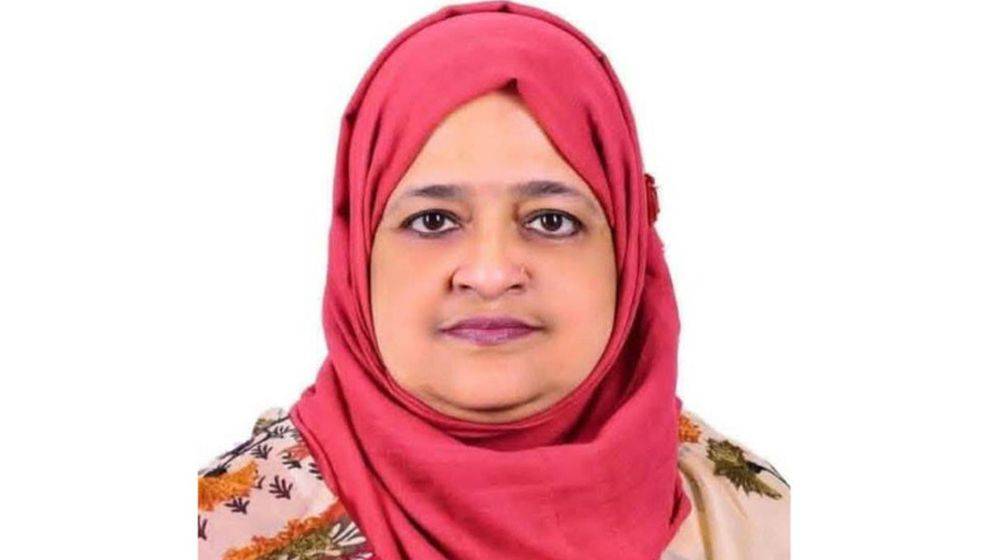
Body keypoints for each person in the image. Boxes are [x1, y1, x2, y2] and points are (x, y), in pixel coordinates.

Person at [196, 2, 790, 558]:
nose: (490, 274)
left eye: (551, 221)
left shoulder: (755, 523)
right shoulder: (223, 531)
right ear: (357, 255)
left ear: (627, 252)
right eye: (433, 221)